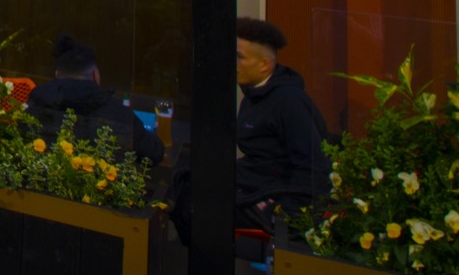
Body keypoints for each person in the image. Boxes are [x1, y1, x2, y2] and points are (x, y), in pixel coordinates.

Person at [170, 17, 329, 245]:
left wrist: (286, 215)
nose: (231, 62)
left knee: (196, 208)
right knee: (183, 186)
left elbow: (313, 168)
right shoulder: (253, 95)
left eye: (239, 57)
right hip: (254, 182)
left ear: (264, 64)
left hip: (276, 196)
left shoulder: (290, 102)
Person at [24, 37, 163, 166]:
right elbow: (154, 154)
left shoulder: (36, 106)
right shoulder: (119, 115)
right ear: (95, 75)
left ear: (57, 74)